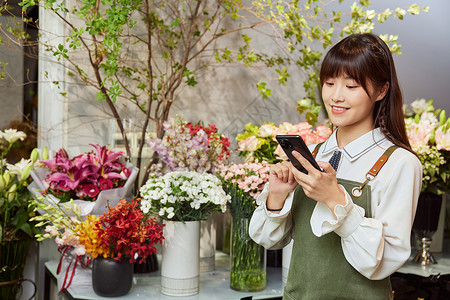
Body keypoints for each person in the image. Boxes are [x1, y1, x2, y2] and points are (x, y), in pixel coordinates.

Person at [249, 33, 422, 299]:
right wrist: (277, 196)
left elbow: (384, 261)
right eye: (329, 83)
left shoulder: (401, 164)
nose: (336, 97)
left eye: (351, 86)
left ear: (381, 90)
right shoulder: (314, 154)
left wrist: (335, 200)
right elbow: (270, 240)